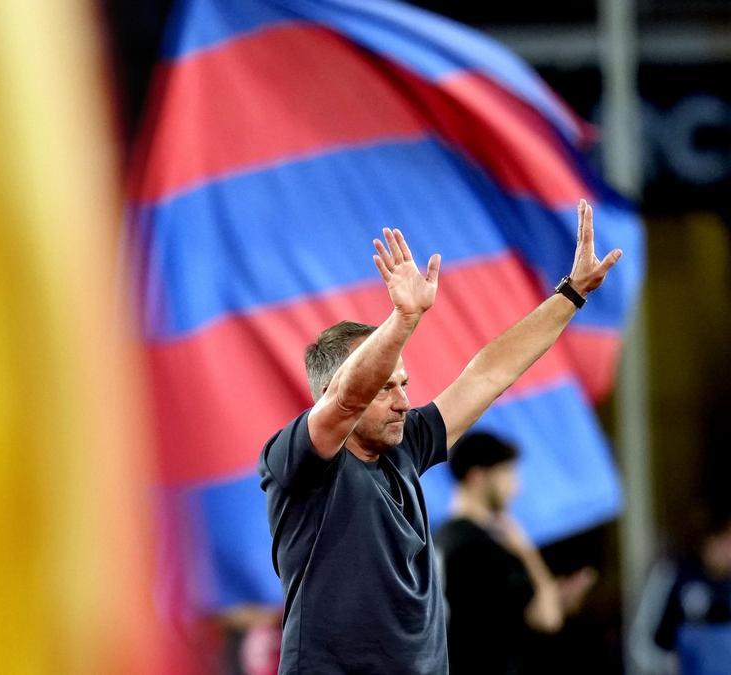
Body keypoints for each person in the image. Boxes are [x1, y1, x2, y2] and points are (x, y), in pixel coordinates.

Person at [257, 199, 623, 674]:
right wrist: (403, 320)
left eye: (404, 384)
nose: (403, 401)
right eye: (385, 386)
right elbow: (347, 399)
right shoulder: (299, 459)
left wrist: (571, 294)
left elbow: (488, 374)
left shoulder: (405, 446)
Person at [435, 432, 597, 674]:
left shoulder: (442, 537)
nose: (516, 488)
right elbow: (547, 618)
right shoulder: (482, 547)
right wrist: (527, 552)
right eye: (507, 473)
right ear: (477, 476)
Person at [630, 513, 731, 675]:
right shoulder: (670, 572)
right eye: (727, 540)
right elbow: (639, 641)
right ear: (713, 538)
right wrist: (670, 664)